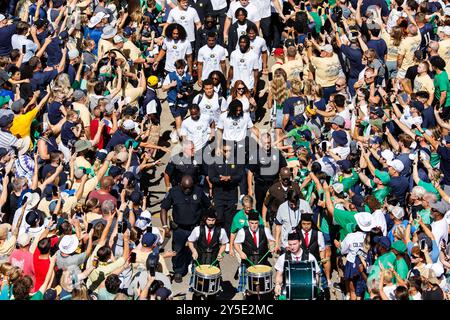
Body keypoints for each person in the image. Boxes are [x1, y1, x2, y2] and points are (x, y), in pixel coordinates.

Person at [159, 175, 211, 282]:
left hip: (195, 227)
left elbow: (208, 206)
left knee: (197, 249)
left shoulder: (198, 191)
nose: (188, 190)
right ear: (181, 185)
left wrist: (205, 222)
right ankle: (178, 270)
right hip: (179, 228)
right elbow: (164, 208)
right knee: (178, 250)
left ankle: (196, 268)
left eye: (190, 188)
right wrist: (165, 226)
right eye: (185, 188)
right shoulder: (174, 192)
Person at [274, 232, 320, 297]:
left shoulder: (310, 257)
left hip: (306, 290)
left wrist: (314, 286)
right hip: (289, 291)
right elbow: (279, 274)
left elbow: (316, 274)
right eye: (290, 244)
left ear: (300, 242)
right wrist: (277, 284)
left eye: (295, 244)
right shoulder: (283, 258)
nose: (292, 247)